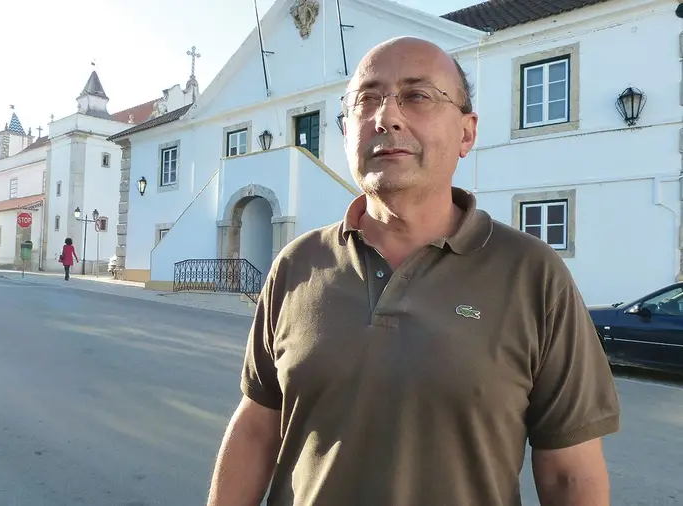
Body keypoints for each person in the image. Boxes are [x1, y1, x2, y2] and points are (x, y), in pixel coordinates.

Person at [206, 36, 620, 506]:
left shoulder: (533, 276)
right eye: (367, 100)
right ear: (346, 133)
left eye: (417, 95)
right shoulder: (297, 266)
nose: (387, 116)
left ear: (467, 133)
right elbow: (258, 428)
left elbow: (570, 476)